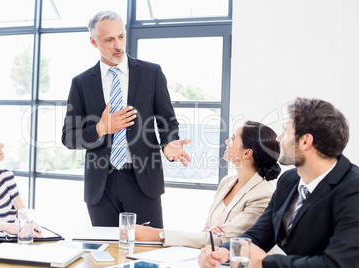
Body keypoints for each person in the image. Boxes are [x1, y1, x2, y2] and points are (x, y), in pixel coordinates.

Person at [61, 10, 191, 228]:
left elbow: (167, 120)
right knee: (107, 256)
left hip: (143, 181)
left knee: (147, 254)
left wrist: (168, 143)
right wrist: (101, 129)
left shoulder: (152, 73)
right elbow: (68, 138)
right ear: (93, 42)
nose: (118, 45)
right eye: (109, 40)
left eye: (121, 36)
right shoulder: (81, 83)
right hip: (101, 187)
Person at [198, 97, 359, 268]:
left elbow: (339, 263)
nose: (279, 139)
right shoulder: (289, 180)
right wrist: (225, 252)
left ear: (305, 141)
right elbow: (261, 234)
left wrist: (265, 262)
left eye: (286, 133)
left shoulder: (353, 189)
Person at [135, 121, 281, 248]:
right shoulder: (227, 182)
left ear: (247, 153)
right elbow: (208, 233)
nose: (226, 142)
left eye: (233, 139)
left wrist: (158, 234)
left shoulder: (263, 194)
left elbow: (223, 239)